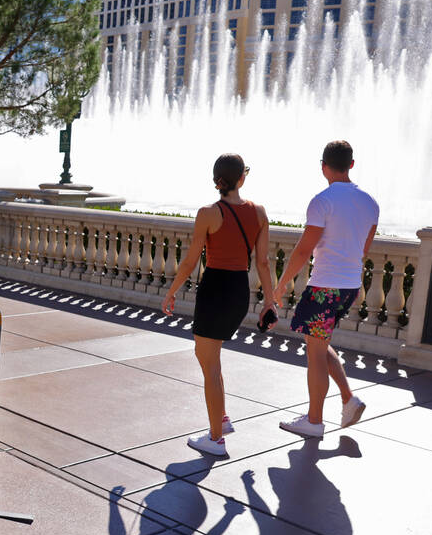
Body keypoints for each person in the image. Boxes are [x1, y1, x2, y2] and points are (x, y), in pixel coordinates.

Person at [162, 154, 276, 457]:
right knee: (212, 358)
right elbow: (263, 263)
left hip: (215, 288)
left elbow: (190, 261)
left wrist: (171, 292)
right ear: (242, 178)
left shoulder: (208, 213)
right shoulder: (260, 212)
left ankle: (215, 439)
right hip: (239, 290)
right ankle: (221, 419)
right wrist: (270, 302)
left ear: (217, 180)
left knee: (208, 361)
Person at [274, 140, 380, 438]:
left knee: (315, 353)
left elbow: (303, 250)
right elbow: (364, 249)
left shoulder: (322, 201)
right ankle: (349, 399)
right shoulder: (370, 203)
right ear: (351, 164)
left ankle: (314, 420)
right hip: (349, 286)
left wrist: (281, 285)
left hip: (325, 285)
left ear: (323, 166)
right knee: (318, 342)